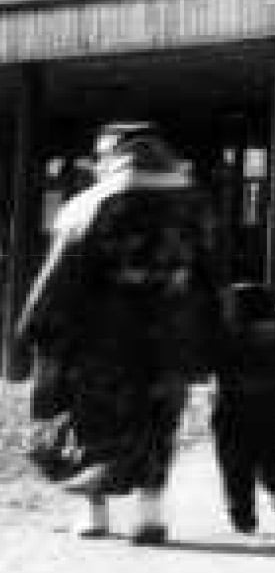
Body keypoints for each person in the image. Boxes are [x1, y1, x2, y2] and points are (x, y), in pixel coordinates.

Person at [18, 122, 221, 545]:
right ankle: (151, 516)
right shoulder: (194, 205)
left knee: (95, 421)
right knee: (159, 421)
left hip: (102, 337)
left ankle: (95, 514)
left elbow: (60, 273)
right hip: (171, 334)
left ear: (109, 157)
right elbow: (212, 275)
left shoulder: (89, 204)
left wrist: (36, 328)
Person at [213, 282, 275, 533]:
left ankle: (243, 514)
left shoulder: (229, 337)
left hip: (234, 412)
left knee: (236, 464)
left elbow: (220, 371)